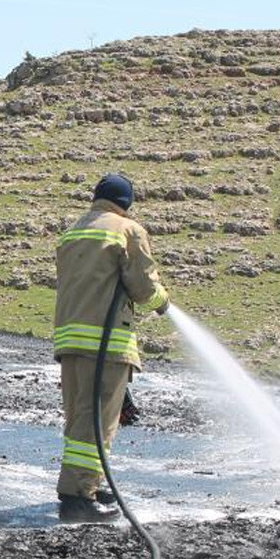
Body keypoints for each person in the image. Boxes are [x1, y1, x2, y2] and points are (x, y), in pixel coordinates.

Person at [53, 173, 169, 523]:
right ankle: (77, 499)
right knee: (96, 424)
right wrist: (164, 300)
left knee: (80, 418)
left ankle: (88, 484)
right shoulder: (126, 229)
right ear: (127, 202)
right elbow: (143, 287)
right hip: (104, 343)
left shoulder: (74, 231)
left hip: (70, 340)